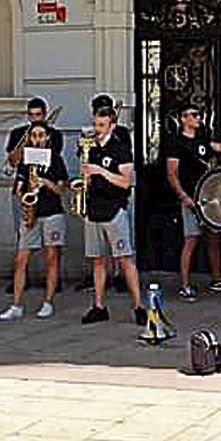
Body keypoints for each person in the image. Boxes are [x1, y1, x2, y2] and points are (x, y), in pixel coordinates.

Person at [164, 105, 221, 301]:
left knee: (213, 236)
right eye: (194, 115)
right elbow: (172, 174)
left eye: (199, 114)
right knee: (191, 239)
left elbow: (220, 148)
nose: (198, 118)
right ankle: (185, 285)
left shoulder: (203, 138)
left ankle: (216, 278)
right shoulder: (176, 142)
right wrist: (184, 197)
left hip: (210, 196)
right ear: (183, 118)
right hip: (191, 196)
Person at [80, 106, 146, 325]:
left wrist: (102, 172)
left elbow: (127, 181)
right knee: (98, 261)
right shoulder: (90, 149)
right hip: (93, 209)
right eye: (95, 125)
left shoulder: (120, 149)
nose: (97, 130)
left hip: (114, 209)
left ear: (112, 126)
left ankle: (138, 306)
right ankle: (99, 306)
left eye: (101, 125)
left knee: (125, 259)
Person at [0, 121, 69, 321]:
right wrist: (24, 196)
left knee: (51, 257)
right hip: (32, 213)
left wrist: (45, 182)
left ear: (47, 138)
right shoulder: (25, 160)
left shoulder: (56, 159)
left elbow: (62, 189)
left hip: (52, 212)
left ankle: (48, 302)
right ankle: (16, 305)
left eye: (41, 135)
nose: (37, 139)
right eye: (34, 135)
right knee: (21, 259)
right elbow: (19, 186)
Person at [2, 97, 63, 294]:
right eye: (31, 115)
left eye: (38, 115)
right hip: (24, 191)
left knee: (51, 247)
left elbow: (53, 156)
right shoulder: (17, 133)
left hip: (46, 194)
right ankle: (22, 279)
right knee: (22, 237)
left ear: (45, 115)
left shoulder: (54, 134)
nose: (35, 118)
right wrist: (23, 144)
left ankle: (53, 281)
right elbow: (11, 162)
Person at [76, 93, 135, 293]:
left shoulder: (122, 134)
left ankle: (120, 276)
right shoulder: (90, 136)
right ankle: (98, 293)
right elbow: (83, 158)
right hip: (95, 200)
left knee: (122, 250)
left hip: (116, 199)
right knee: (97, 255)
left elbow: (126, 167)